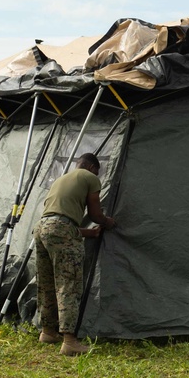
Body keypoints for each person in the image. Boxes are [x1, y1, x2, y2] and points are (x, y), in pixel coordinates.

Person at [33, 153, 115, 356]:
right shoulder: (89, 177)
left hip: (42, 228)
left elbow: (58, 222)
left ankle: (48, 332)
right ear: (90, 167)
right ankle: (69, 341)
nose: (98, 176)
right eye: (98, 171)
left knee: (47, 283)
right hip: (60, 229)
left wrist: (88, 233)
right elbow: (95, 214)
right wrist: (107, 222)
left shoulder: (60, 180)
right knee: (68, 283)